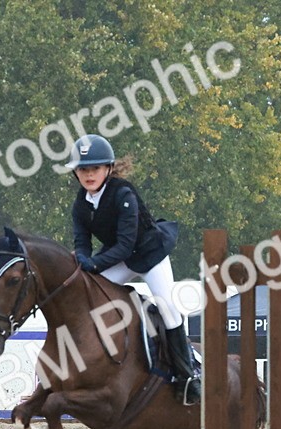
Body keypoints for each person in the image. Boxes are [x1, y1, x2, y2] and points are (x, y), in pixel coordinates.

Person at [67, 134, 201, 405]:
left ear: (108, 169)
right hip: (119, 257)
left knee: (167, 308)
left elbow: (127, 246)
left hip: (149, 254)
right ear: (76, 173)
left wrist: (93, 263)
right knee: (87, 292)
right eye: (83, 169)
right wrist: (83, 260)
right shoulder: (81, 203)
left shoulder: (123, 194)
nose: (89, 174)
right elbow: (81, 242)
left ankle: (188, 376)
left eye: (94, 168)